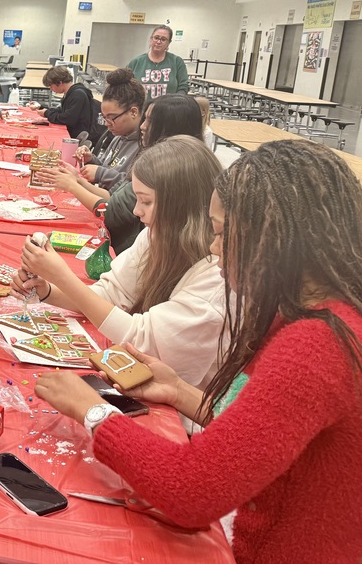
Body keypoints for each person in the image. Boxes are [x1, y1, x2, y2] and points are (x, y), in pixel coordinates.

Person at [32, 140, 362, 564]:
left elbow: (192, 490)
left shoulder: (316, 345)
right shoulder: (305, 315)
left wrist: (93, 412)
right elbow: (261, 434)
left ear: (272, 239)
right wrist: (181, 392)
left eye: (223, 234)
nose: (213, 249)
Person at [13, 136, 227, 393]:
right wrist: (46, 290)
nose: (137, 211)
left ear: (181, 207)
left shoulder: (218, 276)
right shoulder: (157, 235)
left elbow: (143, 342)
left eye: (146, 201)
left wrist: (62, 277)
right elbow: (112, 295)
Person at [43, 93, 201, 254]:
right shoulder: (149, 154)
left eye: (150, 121)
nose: (143, 126)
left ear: (170, 127)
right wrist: (77, 180)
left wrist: (72, 186)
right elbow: (112, 195)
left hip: (126, 248)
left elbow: (110, 212)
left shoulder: (165, 169)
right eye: (144, 119)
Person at [61, 68, 145, 193]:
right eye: (104, 118)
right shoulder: (118, 136)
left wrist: (101, 174)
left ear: (133, 112)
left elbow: (133, 188)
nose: (107, 124)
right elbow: (108, 166)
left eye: (112, 118)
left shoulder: (144, 146)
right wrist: (91, 159)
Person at [31, 65, 96, 139]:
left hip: (75, 136)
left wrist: (47, 113)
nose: (51, 89)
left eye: (51, 86)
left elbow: (66, 119)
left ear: (59, 82)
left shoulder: (78, 95)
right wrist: (41, 108)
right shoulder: (70, 93)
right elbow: (62, 111)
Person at [127, 25, 189, 99]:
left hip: (170, 108)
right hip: (142, 109)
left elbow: (183, 86)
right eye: (156, 38)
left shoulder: (177, 62)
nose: (158, 42)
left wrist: (177, 102)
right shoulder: (136, 62)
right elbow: (126, 86)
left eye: (163, 39)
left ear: (169, 43)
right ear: (151, 39)